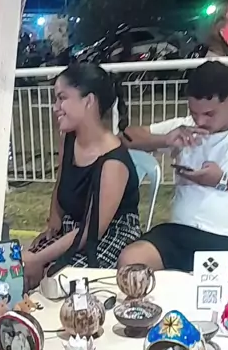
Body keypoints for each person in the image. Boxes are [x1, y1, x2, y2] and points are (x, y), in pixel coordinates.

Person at [118, 61, 228, 274]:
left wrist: (223, 180)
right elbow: (124, 138)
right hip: (179, 231)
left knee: (210, 287)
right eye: (194, 113)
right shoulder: (186, 127)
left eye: (209, 114)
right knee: (131, 260)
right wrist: (165, 139)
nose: (200, 121)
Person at [23, 63, 140, 287]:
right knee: (22, 273)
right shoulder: (69, 138)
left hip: (109, 235)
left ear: (88, 101)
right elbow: (62, 181)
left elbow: (91, 231)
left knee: (56, 282)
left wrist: (38, 259)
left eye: (62, 98)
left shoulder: (113, 161)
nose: (55, 107)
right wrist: (53, 224)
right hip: (74, 227)